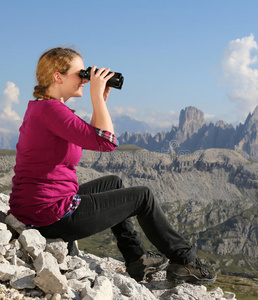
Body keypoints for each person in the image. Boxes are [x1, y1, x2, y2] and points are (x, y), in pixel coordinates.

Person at [8, 47, 216, 285]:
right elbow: (106, 142)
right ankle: (186, 262)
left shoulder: (42, 107)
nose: (85, 80)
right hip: (50, 215)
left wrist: (101, 101)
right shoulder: (52, 110)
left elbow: (91, 137)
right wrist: (96, 97)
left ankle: (136, 259)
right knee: (144, 196)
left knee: (114, 182)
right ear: (58, 76)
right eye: (81, 74)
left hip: (35, 208)